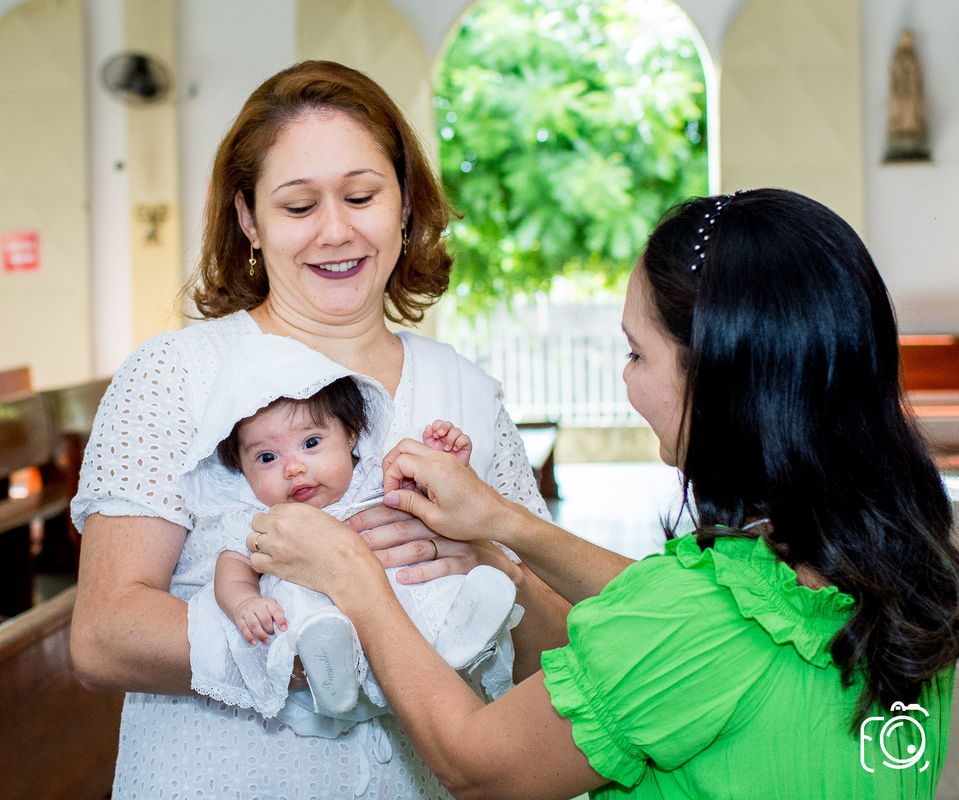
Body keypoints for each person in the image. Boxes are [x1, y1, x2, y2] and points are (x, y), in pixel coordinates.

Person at [250, 188, 959, 798]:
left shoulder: (692, 622)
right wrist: (499, 538)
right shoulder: (903, 569)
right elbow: (666, 612)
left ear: (717, 379)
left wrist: (353, 575)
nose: (627, 379)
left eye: (636, 353)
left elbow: (474, 764)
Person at [69, 60, 586, 798]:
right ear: (249, 218)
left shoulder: (465, 392)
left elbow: (558, 653)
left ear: (404, 204)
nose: (336, 231)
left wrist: (490, 568)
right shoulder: (175, 375)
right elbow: (104, 635)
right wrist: (332, 647)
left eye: (361, 196)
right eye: (298, 205)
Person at [183, 333, 520, 731]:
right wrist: (243, 602)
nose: (293, 468)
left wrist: (443, 465)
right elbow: (232, 566)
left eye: (311, 442)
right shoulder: (256, 517)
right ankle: (332, 673)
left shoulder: (375, 482)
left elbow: (432, 507)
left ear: (350, 435)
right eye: (267, 457)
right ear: (241, 467)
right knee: (310, 626)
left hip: (403, 613)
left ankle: (460, 632)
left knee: (432, 582)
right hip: (318, 621)